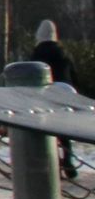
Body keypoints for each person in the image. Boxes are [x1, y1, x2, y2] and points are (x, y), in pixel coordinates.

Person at [30, 19, 79, 180]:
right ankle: (68, 161)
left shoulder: (37, 53)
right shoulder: (64, 52)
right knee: (64, 130)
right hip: (65, 92)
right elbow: (73, 75)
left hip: (46, 93)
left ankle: (54, 164)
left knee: (49, 130)